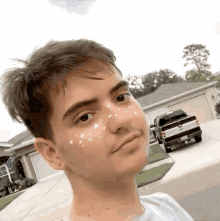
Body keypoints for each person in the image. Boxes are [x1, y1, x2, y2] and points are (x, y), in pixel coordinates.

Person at [0, 39, 194, 221]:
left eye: (121, 97)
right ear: (52, 153)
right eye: (84, 117)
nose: (121, 119)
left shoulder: (165, 206)